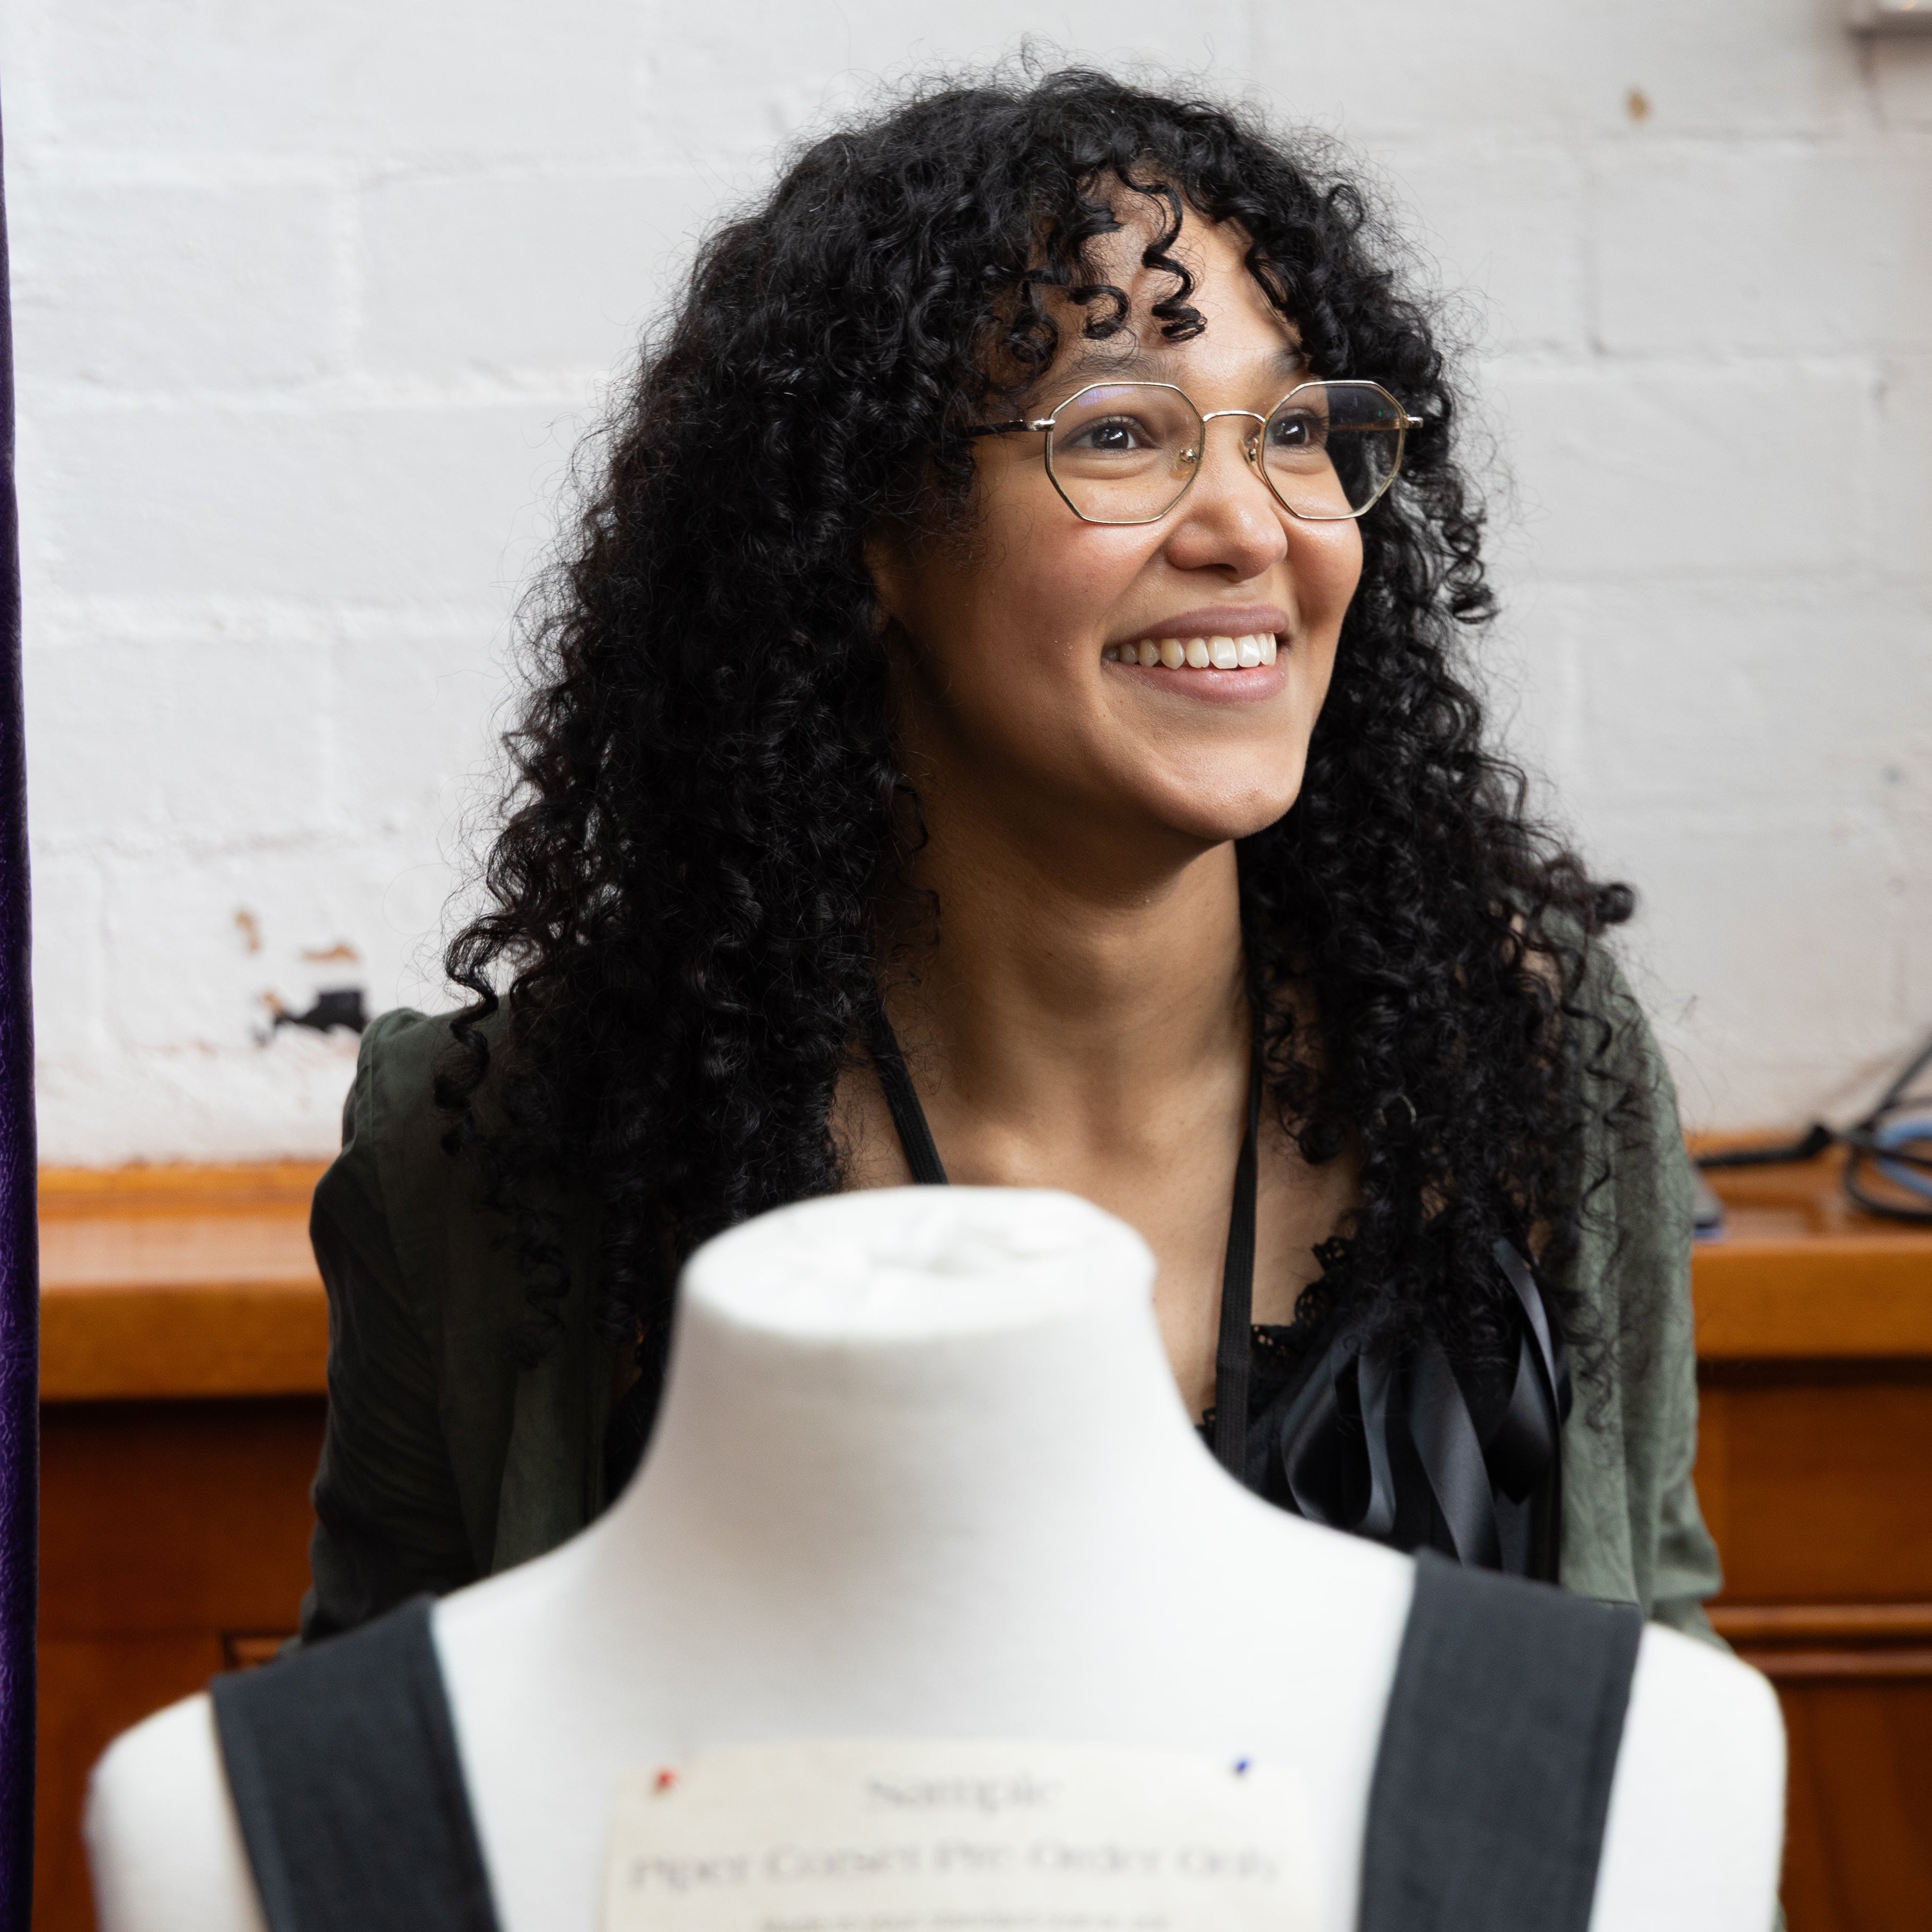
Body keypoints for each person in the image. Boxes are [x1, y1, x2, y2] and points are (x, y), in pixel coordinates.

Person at [298, 66, 1722, 1645]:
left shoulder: (1526, 1055)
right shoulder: (507, 1148)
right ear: (867, 536)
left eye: (1297, 429)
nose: (1254, 526)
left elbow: (1653, 1670)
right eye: (1118, 432)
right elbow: (391, 1749)